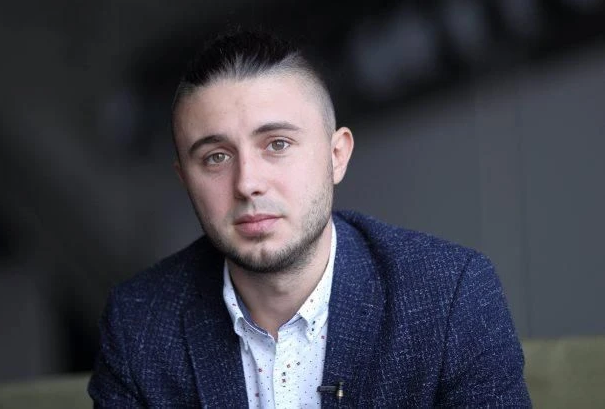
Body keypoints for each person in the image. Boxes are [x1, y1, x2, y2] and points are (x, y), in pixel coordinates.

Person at [88, 29, 530, 408]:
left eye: (277, 144)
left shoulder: (449, 296)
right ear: (185, 179)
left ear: (337, 156)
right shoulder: (138, 324)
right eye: (216, 157)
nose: (248, 183)